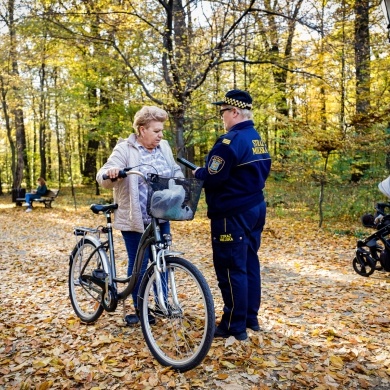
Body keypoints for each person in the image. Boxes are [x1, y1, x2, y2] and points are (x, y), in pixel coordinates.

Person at [192, 89, 271, 341]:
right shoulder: (256, 138)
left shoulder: (229, 142)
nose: (222, 116)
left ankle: (233, 325)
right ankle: (250, 318)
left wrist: (199, 174)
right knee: (248, 264)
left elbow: (214, 178)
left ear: (235, 112)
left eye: (223, 111)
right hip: (254, 208)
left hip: (232, 213)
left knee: (230, 267)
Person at [96, 105, 183, 326]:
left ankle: (162, 303)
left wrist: (180, 185)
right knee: (140, 264)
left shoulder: (163, 147)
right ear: (142, 130)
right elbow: (102, 177)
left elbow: (174, 170)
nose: (160, 135)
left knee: (161, 260)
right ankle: (138, 308)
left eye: (161, 130)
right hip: (136, 219)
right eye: (156, 131)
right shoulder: (125, 149)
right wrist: (112, 173)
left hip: (161, 216)